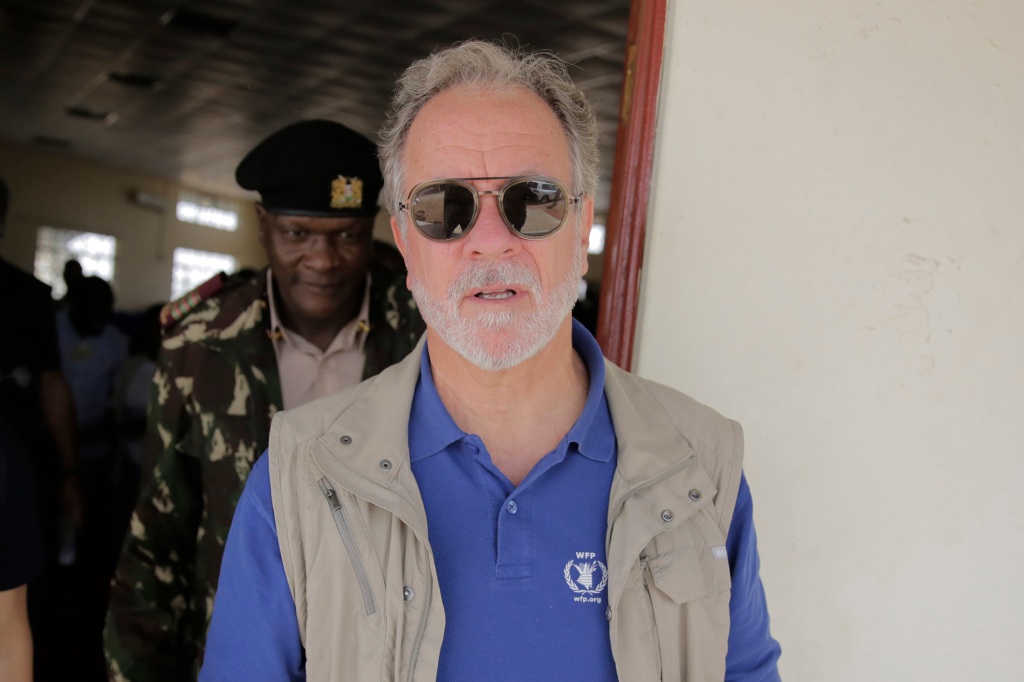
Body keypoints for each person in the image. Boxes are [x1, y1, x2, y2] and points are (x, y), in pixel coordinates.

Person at [201, 41, 782, 682]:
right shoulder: (302, 476)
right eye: (442, 209)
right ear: (402, 240)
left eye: (531, 201)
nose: (488, 242)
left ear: (583, 227)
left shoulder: (699, 464)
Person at [104, 120, 426, 680]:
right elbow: (158, 541)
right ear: (263, 226)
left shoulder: (426, 335)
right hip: (239, 646)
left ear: (377, 228)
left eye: (346, 236)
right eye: (297, 234)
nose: (323, 261)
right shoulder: (201, 346)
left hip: (390, 652)